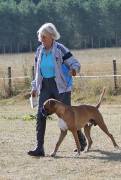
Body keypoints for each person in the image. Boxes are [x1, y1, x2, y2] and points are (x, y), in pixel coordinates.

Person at [28, 22, 86, 157]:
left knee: (68, 117)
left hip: (61, 87)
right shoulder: (38, 51)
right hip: (45, 87)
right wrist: (34, 87)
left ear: (52, 36)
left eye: (44, 37)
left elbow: (75, 63)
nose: (41, 40)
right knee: (41, 115)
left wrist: (73, 70)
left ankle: (82, 142)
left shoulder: (60, 49)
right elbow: (37, 72)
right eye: (40, 37)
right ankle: (39, 148)